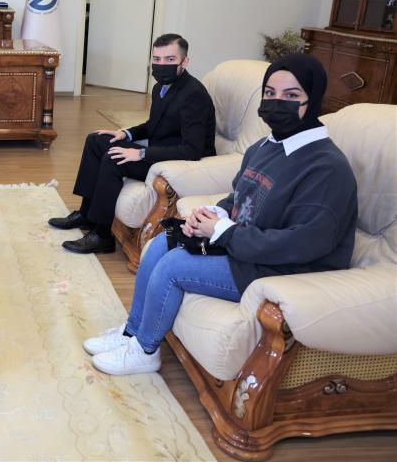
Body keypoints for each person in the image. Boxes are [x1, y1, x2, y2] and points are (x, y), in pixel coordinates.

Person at [86, 53, 358, 375]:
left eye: (291, 95)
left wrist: (225, 232)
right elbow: (240, 195)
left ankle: (145, 350)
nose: (277, 102)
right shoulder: (265, 147)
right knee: (163, 242)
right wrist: (212, 214)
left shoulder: (326, 168)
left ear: (313, 100)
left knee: (173, 265)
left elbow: (306, 243)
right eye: (270, 93)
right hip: (245, 247)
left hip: (281, 267)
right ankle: (132, 331)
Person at [48, 34, 216, 254]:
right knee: (96, 140)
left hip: (178, 161)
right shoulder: (161, 87)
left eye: (169, 59)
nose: (161, 65)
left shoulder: (193, 94)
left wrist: (141, 154)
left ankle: (102, 235)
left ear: (184, 62)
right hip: (159, 150)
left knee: (114, 157)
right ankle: (86, 214)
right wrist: (124, 134)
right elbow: (153, 125)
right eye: (157, 59)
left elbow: (192, 150)